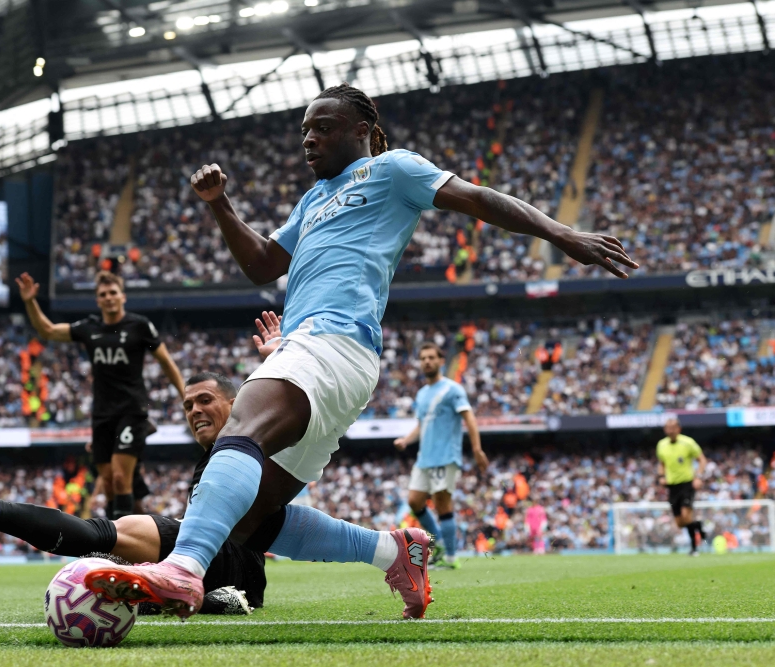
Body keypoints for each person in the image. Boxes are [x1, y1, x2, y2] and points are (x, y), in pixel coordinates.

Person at [82, 83, 638, 620]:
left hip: (332, 338)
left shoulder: (392, 168)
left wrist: (564, 235)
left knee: (239, 432)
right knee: (252, 518)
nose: (309, 140)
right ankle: (394, 552)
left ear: (364, 130)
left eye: (323, 128)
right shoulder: (312, 199)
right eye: (304, 130)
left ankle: (182, 569)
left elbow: (478, 198)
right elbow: (262, 266)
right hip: (327, 352)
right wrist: (220, 205)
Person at [0, 371, 265, 614]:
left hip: (233, 554)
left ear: (236, 406)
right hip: (229, 567)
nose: (194, 410)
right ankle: (206, 601)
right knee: (104, 564)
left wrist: (280, 353)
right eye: (188, 405)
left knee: (114, 534)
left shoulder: (251, 443)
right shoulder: (215, 455)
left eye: (205, 401)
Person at [15, 270, 184, 519]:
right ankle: (144, 538)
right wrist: (30, 301)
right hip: (102, 414)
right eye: (103, 294)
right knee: (108, 484)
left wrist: (184, 394)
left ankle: (121, 547)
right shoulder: (88, 328)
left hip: (132, 410)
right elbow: (48, 330)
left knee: (119, 476)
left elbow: (166, 362)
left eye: (113, 292)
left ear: (123, 297)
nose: (108, 297)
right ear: (97, 300)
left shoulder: (139, 326)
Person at [393, 342, 488, 569]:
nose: (427, 361)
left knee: (442, 505)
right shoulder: (422, 393)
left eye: (431, 357)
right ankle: (440, 546)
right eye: (423, 358)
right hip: (424, 458)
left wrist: (476, 449)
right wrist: (406, 440)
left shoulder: (452, 389)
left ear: (441, 361)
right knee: (414, 501)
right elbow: (421, 425)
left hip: (445, 457)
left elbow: (470, 418)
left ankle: (451, 558)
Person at [656, 417, 708, 555]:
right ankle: (698, 526)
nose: (671, 430)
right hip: (672, 486)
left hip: (687, 483)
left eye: (673, 427)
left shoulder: (688, 442)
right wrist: (661, 477)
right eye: (668, 427)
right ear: (665, 429)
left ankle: (694, 548)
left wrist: (698, 477)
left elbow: (702, 460)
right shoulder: (661, 445)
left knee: (686, 515)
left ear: (679, 429)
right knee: (680, 522)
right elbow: (661, 463)